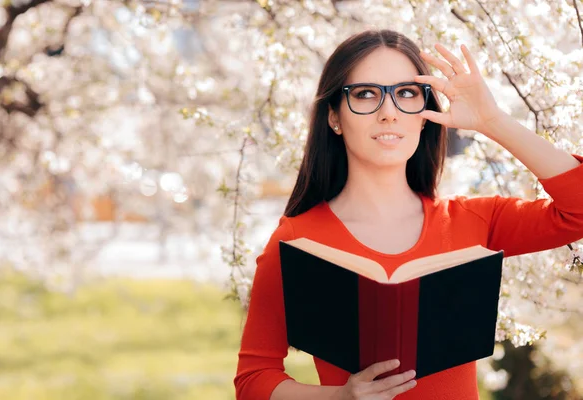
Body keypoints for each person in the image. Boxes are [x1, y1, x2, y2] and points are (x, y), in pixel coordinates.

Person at [234, 29, 583, 400]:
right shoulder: (297, 239)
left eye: (406, 94)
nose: (389, 113)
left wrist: (492, 120)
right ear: (334, 117)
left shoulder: (473, 220)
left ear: (423, 116)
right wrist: (340, 397)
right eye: (366, 94)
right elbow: (254, 378)